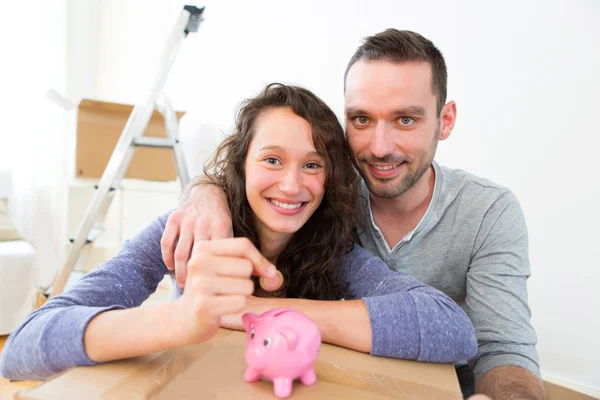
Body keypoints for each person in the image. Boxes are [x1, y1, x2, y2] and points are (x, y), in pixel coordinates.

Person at [0, 83, 477, 382]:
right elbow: (22, 347)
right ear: (240, 164)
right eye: (272, 159)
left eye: (312, 165)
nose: (292, 184)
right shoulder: (186, 233)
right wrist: (179, 319)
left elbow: (451, 329)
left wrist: (252, 310)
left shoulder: (335, 250)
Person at [162, 31, 546, 399]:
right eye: (362, 119)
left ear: (444, 120)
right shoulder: (320, 196)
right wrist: (204, 193)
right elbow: (259, 177)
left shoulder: (488, 211)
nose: (379, 148)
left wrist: (251, 310)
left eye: (405, 119)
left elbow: (502, 348)